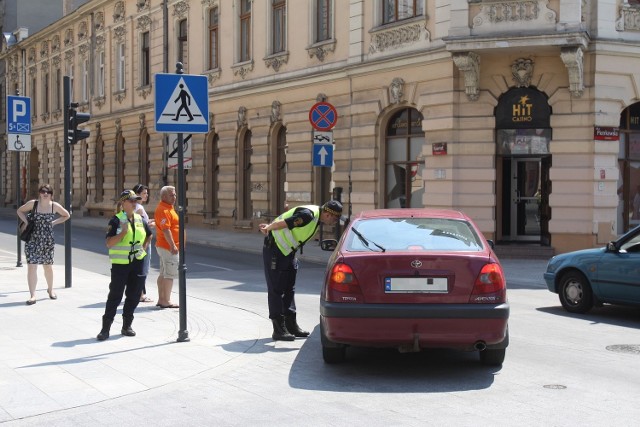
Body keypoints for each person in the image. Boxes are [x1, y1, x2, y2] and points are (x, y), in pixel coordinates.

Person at [259, 200, 343, 341]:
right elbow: (285, 222)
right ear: (328, 214)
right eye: (335, 218)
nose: (335, 222)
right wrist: (269, 227)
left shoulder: (315, 216)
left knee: (289, 288)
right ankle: (278, 329)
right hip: (275, 250)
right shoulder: (308, 215)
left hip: (287, 252)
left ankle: (291, 325)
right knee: (276, 290)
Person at [96, 190, 152, 341]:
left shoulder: (140, 219)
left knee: (134, 295)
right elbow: (109, 243)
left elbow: (149, 234)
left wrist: (144, 248)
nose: (135, 203)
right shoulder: (116, 220)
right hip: (120, 265)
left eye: (136, 201)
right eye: (132, 201)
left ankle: (127, 325)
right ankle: (105, 328)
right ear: (123, 203)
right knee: (115, 296)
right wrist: (123, 233)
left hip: (137, 263)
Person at [16, 184, 70, 305]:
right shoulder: (33, 204)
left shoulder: (54, 206)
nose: (45, 194)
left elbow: (66, 215)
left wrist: (54, 222)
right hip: (32, 239)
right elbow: (19, 211)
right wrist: (26, 221)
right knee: (32, 266)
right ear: (39, 193)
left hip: (47, 241)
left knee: (48, 266)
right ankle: (33, 295)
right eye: (43, 191)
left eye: (48, 192)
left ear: (51, 194)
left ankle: (50, 290)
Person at [154, 185, 181, 309]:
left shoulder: (169, 208)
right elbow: (166, 230)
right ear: (164, 196)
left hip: (164, 246)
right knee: (170, 274)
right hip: (167, 247)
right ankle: (166, 300)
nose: (174, 197)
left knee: (164, 273)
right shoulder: (164, 210)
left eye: (175, 194)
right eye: (171, 195)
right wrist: (173, 245)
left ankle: (162, 299)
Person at [133, 184, 155, 303]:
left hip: (136, 240)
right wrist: (151, 224)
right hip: (144, 240)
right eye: (144, 193)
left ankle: (136, 293)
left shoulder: (133, 206)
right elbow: (142, 225)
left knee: (137, 267)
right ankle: (141, 295)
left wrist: (150, 221)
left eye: (147, 193)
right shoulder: (139, 208)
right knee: (143, 268)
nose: (146, 195)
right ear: (137, 194)